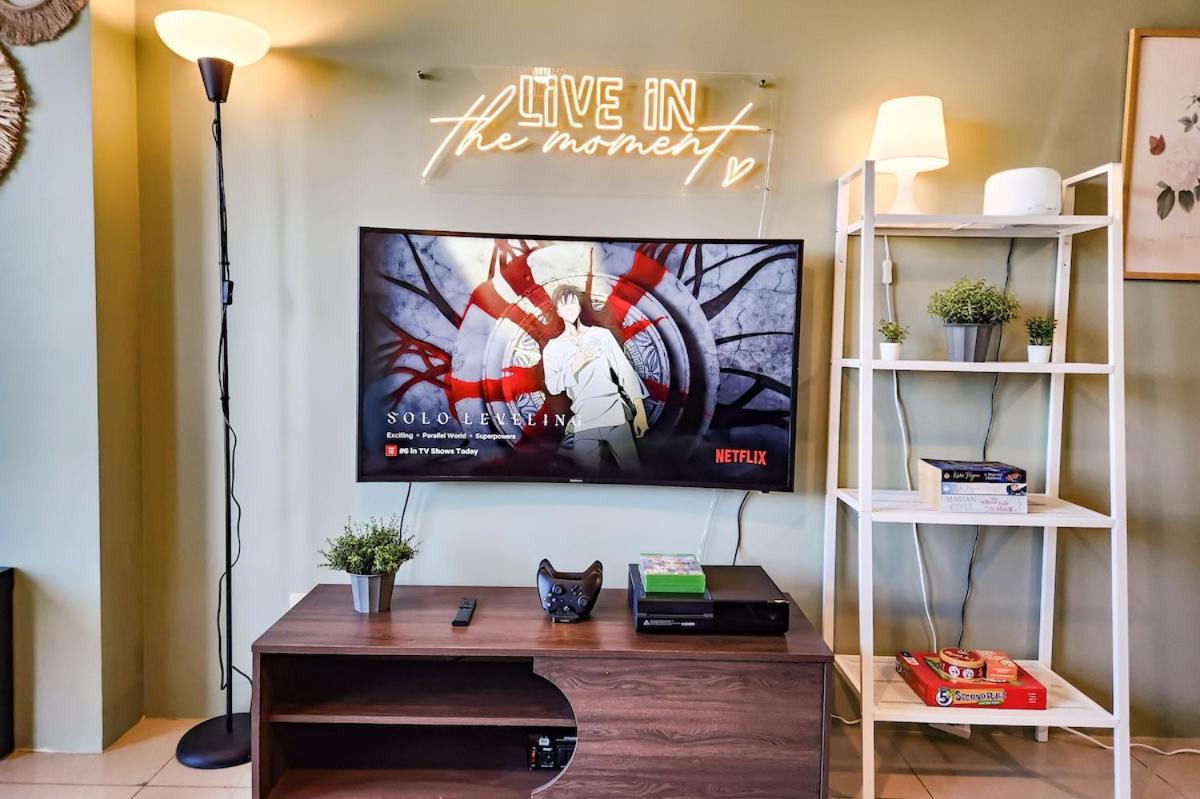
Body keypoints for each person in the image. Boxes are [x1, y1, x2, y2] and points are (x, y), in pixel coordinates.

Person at [541, 285, 649, 474]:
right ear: (558, 311)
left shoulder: (601, 335)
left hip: (615, 417)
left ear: (579, 306)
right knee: (584, 478)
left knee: (634, 474)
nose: (569, 309)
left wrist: (640, 412)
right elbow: (552, 386)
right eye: (564, 305)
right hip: (584, 422)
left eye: (573, 303)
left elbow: (625, 371)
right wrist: (575, 365)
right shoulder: (553, 348)